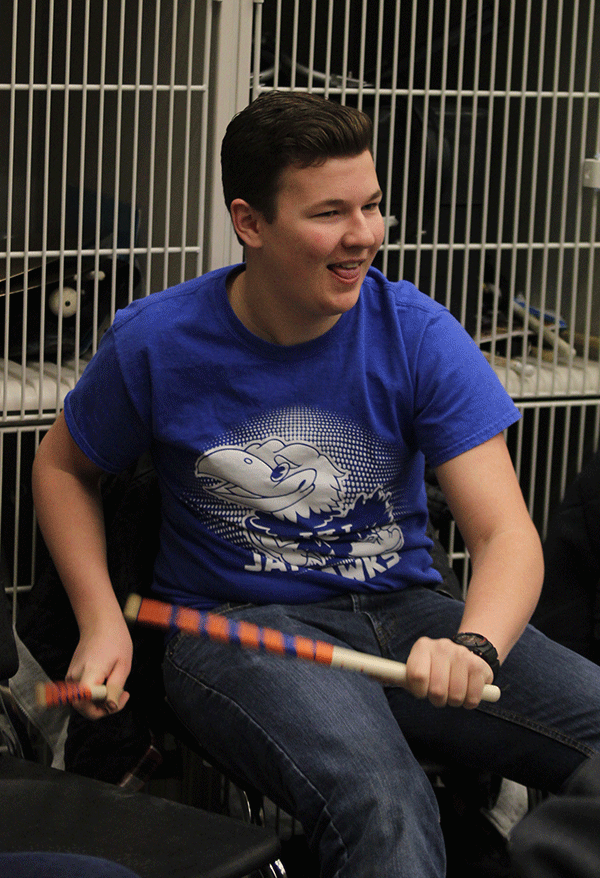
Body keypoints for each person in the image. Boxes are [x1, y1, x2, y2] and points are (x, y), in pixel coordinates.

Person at [31, 91, 600, 878]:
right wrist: (101, 622)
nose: (363, 235)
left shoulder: (418, 332)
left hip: (406, 613)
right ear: (251, 222)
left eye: (371, 205)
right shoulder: (158, 340)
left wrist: (475, 642)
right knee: (384, 803)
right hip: (239, 630)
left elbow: (507, 535)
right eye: (330, 213)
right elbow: (63, 467)